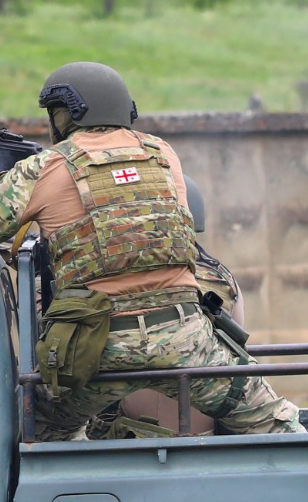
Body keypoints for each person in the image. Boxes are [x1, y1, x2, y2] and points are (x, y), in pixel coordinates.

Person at [0, 61, 303, 441]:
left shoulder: (43, 168)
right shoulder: (163, 154)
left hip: (97, 348)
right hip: (185, 337)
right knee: (274, 421)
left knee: (38, 434)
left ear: (65, 114)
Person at [106, 175, 247, 438]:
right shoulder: (222, 276)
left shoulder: (121, 274)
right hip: (206, 419)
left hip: (132, 424)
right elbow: (238, 344)